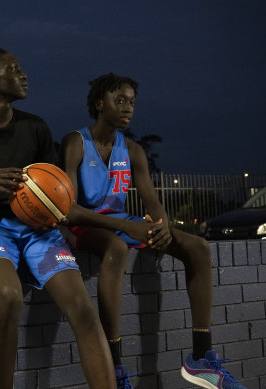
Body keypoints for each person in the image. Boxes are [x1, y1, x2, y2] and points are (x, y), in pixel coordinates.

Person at [0, 48, 116, 389]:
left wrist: (54, 216)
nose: (24, 75)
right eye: (14, 69)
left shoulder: (35, 127)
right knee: (9, 295)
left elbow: (56, 194)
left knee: (82, 308)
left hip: (36, 230)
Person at [60, 73, 246, 389]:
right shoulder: (76, 142)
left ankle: (201, 358)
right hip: (84, 226)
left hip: (122, 224)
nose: (127, 107)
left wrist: (162, 228)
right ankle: (114, 366)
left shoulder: (132, 150)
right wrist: (127, 226)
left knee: (198, 247)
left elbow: (152, 202)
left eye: (131, 102)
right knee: (117, 249)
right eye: (119, 100)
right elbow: (69, 208)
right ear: (98, 103)